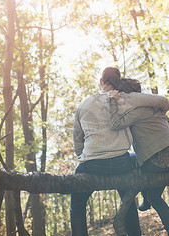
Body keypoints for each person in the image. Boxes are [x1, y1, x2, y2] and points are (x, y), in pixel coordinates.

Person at [107, 78, 169, 236]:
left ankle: (143, 193)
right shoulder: (157, 109)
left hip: (156, 162)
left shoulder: (135, 112)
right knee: (155, 196)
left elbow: (114, 125)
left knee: (129, 159)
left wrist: (112, 101)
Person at [70, 67, 144, 236]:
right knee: (128, 199)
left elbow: (78, 141)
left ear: (101, 82)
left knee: (77, 204)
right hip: (121, 163)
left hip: (92, 165)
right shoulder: (123, 101)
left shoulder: (84, 104)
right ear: (118, 82)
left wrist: (84, 157)